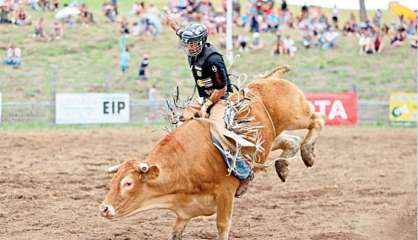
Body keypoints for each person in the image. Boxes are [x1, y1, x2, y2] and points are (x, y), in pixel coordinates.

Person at [167, 14, 254, 198]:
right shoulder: (192, 49)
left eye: (193, 43)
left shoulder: (212, 59)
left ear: (202, 41)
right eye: (188, 43)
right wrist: (174, 25)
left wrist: (206, 105)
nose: (190, 46)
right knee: (180, 122)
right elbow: (181, 32)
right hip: (203, 98)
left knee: (218, 132)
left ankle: (244, 172)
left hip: (221, 98)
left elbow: (221, 87)